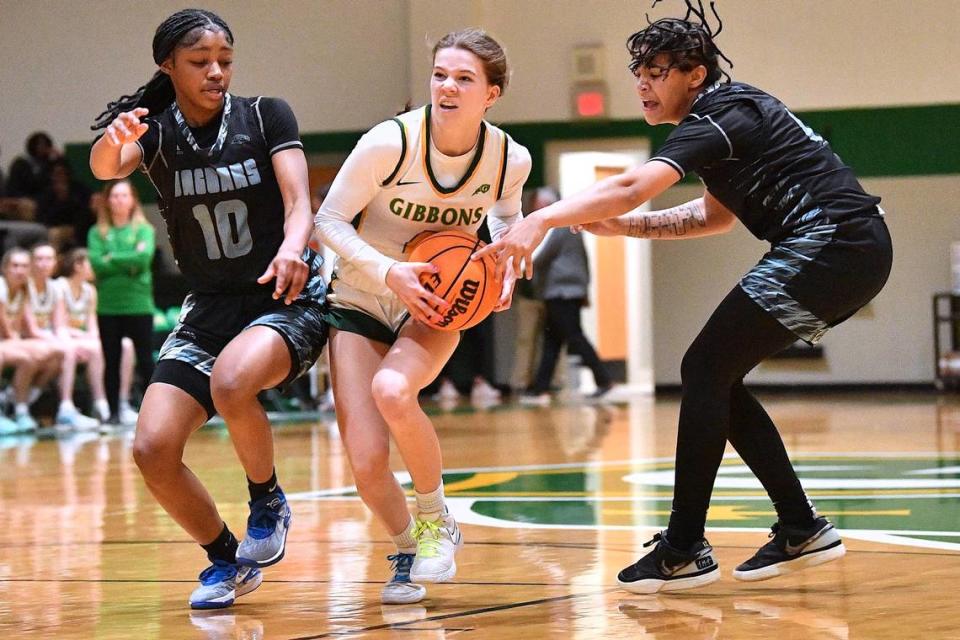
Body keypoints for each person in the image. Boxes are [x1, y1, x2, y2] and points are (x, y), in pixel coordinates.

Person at [475, 2, 892, 593]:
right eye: (638, 72)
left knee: (703, 368)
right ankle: (799, 528)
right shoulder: (720, 123)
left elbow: (631, 185)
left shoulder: (722, 115)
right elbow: (714, 216)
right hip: (851, 252)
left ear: (695, 75)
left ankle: (684, 547)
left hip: (835, 244)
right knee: (714, 374)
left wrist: (540, 221)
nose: (643, 83)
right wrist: (627, 229)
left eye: (658, 72)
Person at [89, 9, 327, 609]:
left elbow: (300, 202)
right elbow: (104, 167)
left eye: (225, 60)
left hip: (282, 294)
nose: (216, 71)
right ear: (167, 66)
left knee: (232, 382)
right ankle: (226, 559)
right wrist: (113, 141)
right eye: (200, 63)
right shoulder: (157, 131)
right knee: (153, 450)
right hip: (209, 308)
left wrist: (295, 250)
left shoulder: (266, 114)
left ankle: (266, 499)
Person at [314, 28, 530, 604]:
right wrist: (389, 271)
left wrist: (505, 264)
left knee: (393, 390)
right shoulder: (389, 144)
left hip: (437, 303)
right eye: (440, 75)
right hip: (362, 296)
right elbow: (328, 222)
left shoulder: (510, 158)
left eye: (464, 78)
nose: (448, 87)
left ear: (492, 93)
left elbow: (506, 218)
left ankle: (436, 517)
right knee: (365, 464)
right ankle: (408, 549)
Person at [520, 196, 612, 405]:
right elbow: (584, 260)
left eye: (539, 206)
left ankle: (604, 379)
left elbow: (543, 258)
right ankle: (540, 389)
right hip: (566, 291)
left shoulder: (560, 226)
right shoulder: (567, 225)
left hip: (562, 292)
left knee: (574, 336)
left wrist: (519, 266)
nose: (536, 210)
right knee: (552, 341)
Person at [87, 180, 157, 426]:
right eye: (114, 196)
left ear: (133, 200)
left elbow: (144, 259)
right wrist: (128, 262)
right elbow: (97, 265)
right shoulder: (97, 232)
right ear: (107, 201)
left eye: (124, 195)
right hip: (108, 306)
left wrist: (112, 257)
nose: (118, 200)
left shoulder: (144, 230)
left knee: (146, 361)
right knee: (112, 360)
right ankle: (114, 413)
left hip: (138, 304)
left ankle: (154, 414)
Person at [58, 248, 140, 426]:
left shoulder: (90, 290)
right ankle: (101, 403)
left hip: (81, 338)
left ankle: (122, 402)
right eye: (91, 263)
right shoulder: (61, 286)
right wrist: (86, 339)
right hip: (62, 337)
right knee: (97, 348)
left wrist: (93, 337)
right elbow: (59, 326)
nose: (96, 267)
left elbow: (93, 325)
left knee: (125, 344)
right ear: (78, 265)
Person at [28, 243, 101, 429]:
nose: (44, 264)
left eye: (49, 259)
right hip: (33, 339)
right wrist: (71, 341)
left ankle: (104, 405)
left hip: (50, 338)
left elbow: (65, 326)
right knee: (67, 350)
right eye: (39, 259)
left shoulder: (54, 287)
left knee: (105, 347)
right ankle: (65, 407)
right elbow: (56, 326)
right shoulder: (52, 286)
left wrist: (88, 340)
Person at [0, 248, 61, 431]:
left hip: (8, 343)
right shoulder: (1, 287)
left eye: (24, 266)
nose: (20, 270)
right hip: (5, 343)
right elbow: (7, 330)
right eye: (15, 266)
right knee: (29, 355)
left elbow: (22, 328)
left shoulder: (24, 290)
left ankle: (19, 406)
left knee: (52, 356)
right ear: (4, 268)